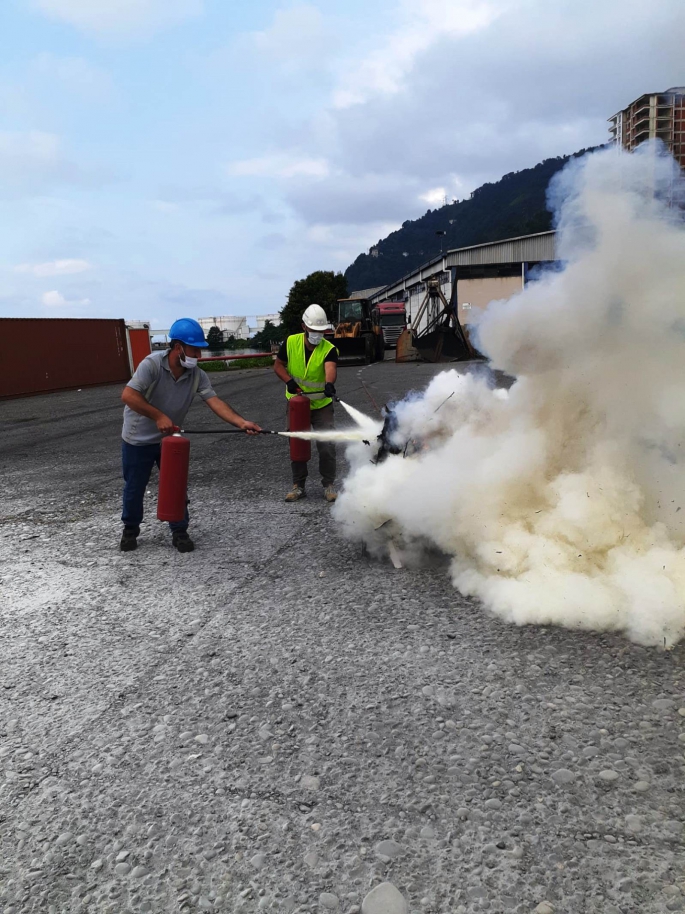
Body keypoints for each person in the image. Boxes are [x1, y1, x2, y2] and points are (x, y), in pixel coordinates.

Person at [119, 317, 261, 553]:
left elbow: (214, 402)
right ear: (178, 347)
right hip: (138, 439)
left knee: (176, 484)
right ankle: (130, 529)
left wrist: (241, 422)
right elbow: (128, 396)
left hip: (169, 440)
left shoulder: (197, 375)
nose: (199, 355)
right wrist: (158, 416)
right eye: (195, 349)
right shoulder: (151, 365)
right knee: (135, 487)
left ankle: (179, 530)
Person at [273, 304, 338, 503]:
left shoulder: (329, 349)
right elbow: (278, 365)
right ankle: (298, 486)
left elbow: (330, 368)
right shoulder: (290, 343)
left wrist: (329, 384)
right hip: (297, 404)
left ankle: (328, 485)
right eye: (314, 330)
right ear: (304, 327)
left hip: (321, 405)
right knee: (297, 443)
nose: (318, 335)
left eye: (321, 331)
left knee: (326, 445)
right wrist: (289, 381)